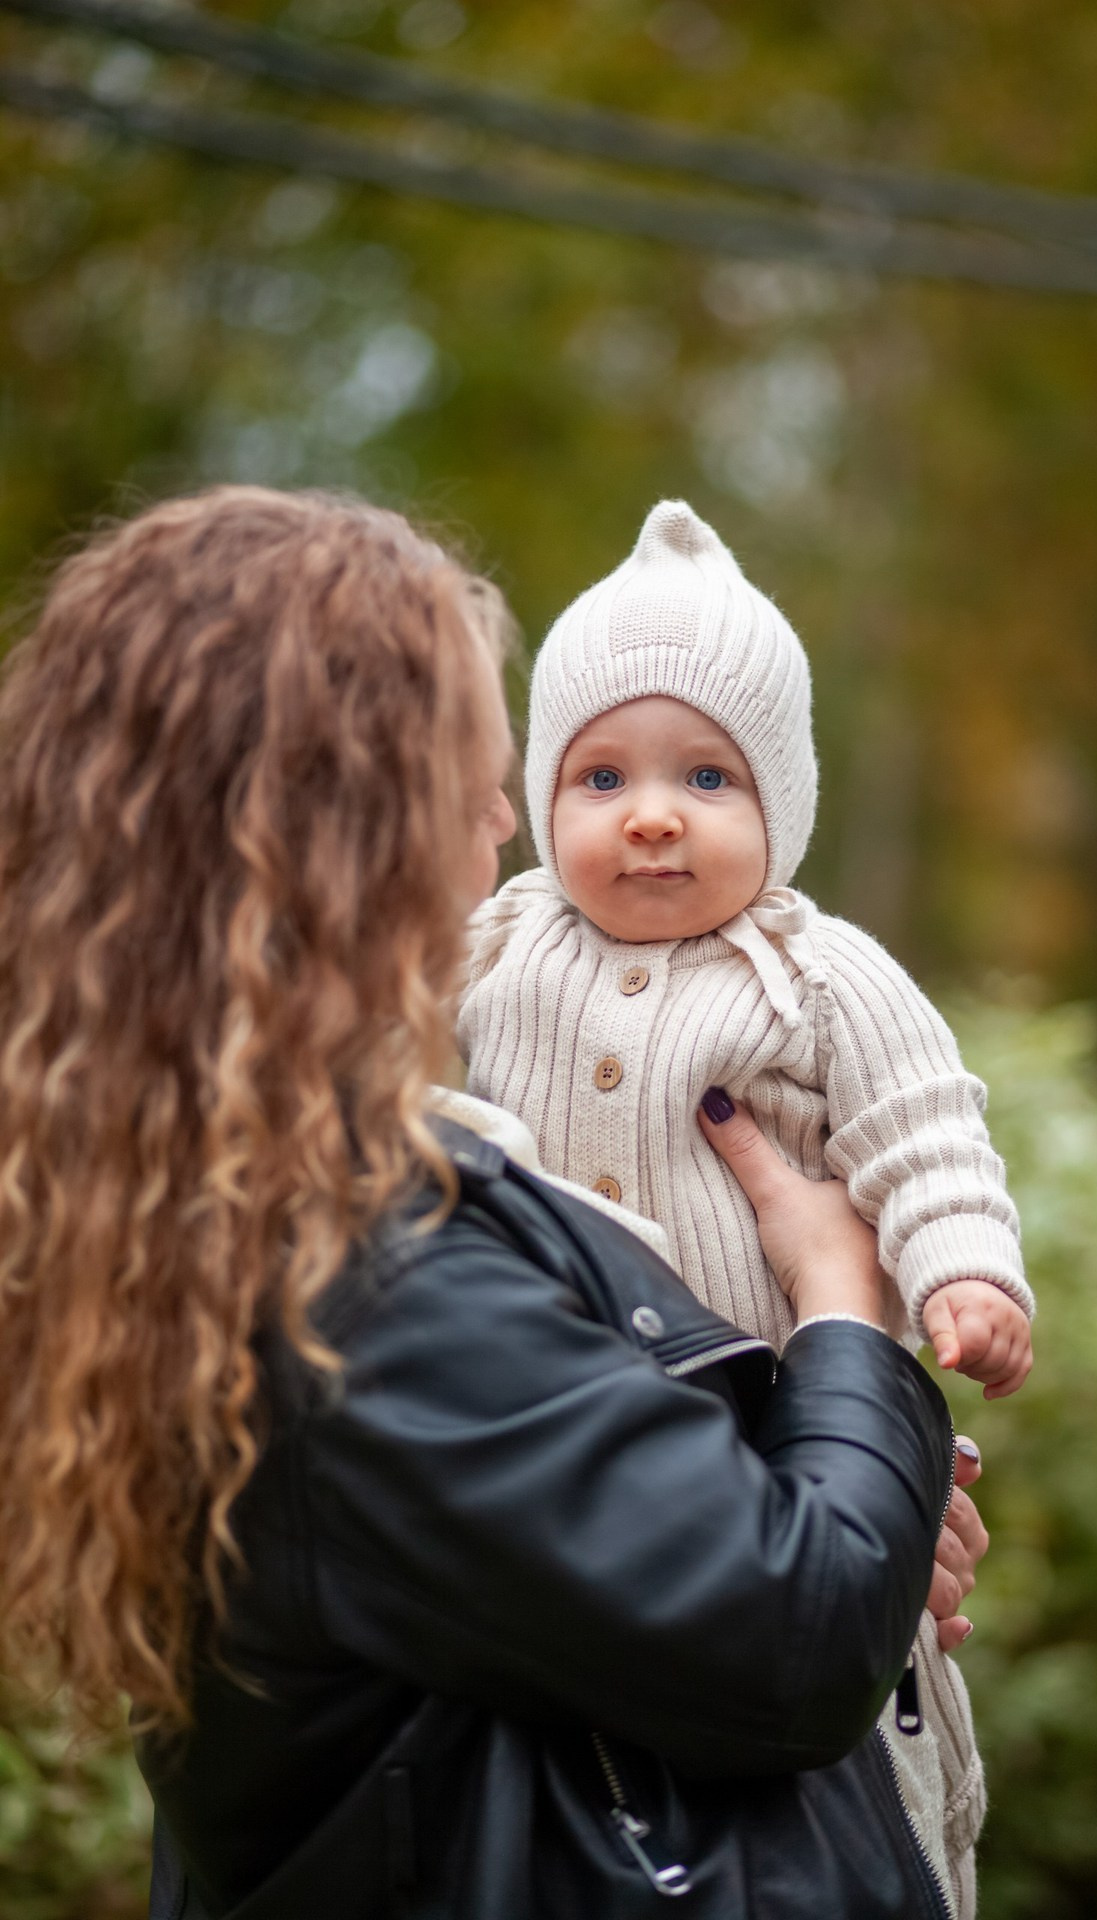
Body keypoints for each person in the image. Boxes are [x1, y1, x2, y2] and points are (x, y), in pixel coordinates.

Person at [0, 487, 985, 1919]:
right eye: (470, 781)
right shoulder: (365, 1300)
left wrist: (855, 1485)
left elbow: (644, 1535)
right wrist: (842, 1315)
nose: (498, 838)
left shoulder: (250, 1206)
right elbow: (792, 1634)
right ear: (340, 846)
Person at [458, 498, 1035, 1912]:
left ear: (782, 803)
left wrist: (964, 1271)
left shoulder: (820, 973)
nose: (652, 813)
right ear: (540, 800)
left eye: (707, 777)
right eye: (601, 778)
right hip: (558, 1432)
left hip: (773, 1420)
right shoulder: (492, 944)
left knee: (847, 1674)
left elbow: (922, 1129)